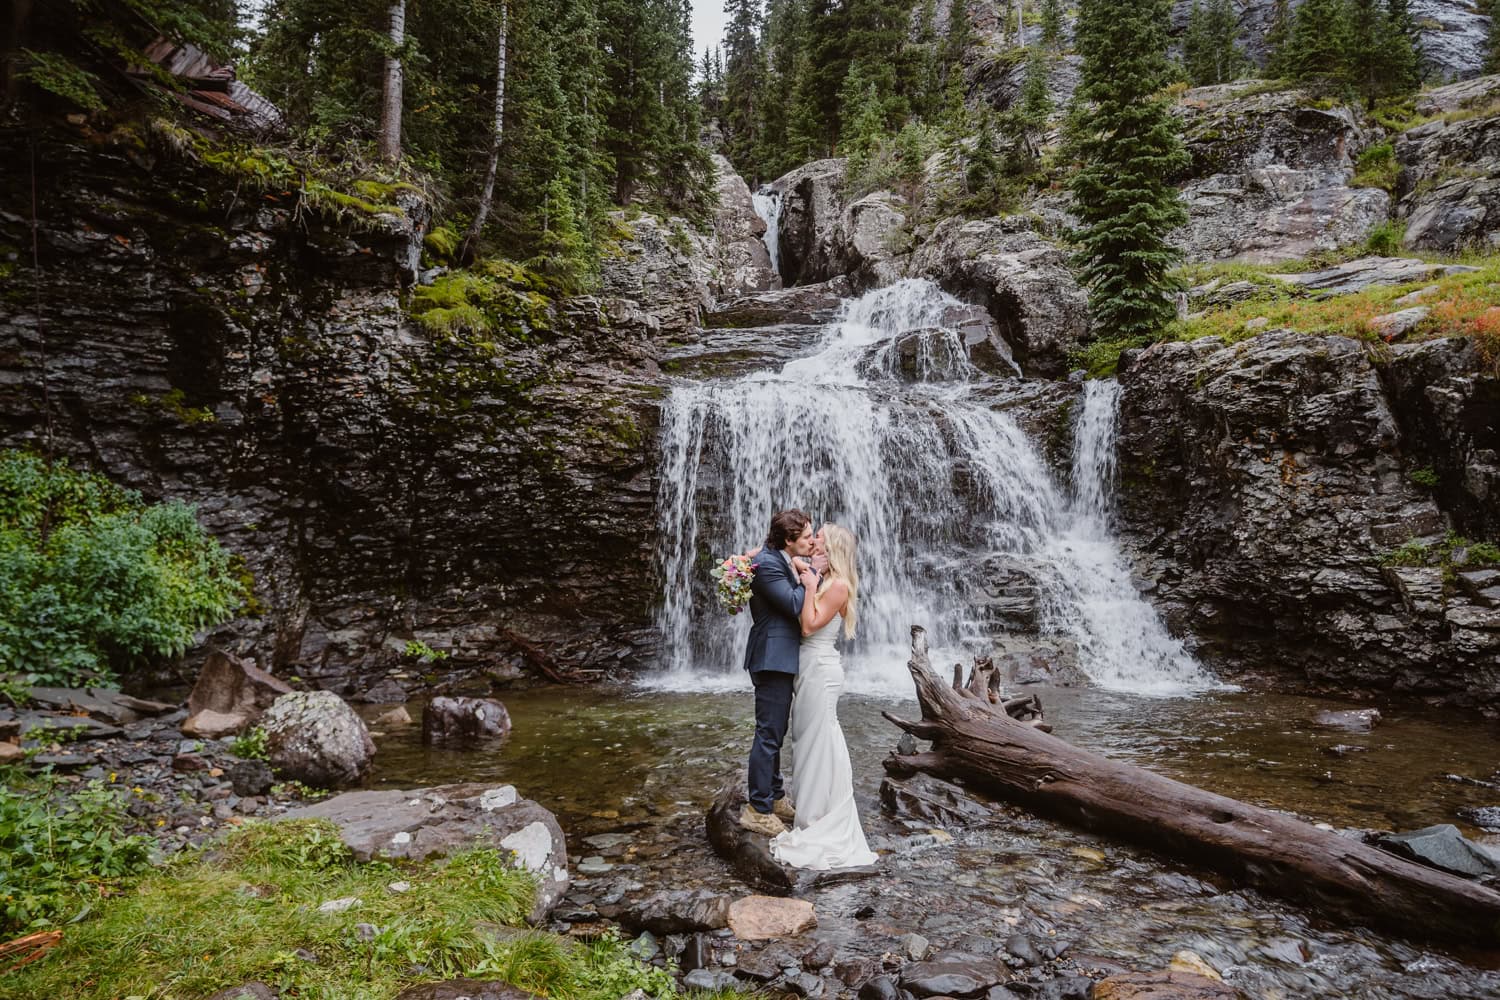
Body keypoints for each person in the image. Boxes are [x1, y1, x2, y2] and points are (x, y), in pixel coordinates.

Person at [770, 523, 878, 870]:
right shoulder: (822, 577)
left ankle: (819, 818)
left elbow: (807, 626)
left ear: (832, 551)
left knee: (818, 740)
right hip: (808, 669)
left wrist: (811, 582)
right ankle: (812, 809)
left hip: (821, 670)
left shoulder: (838, 586)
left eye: (818, 545)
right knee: (807, 740)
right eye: (811, 544)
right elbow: (781, 559)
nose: (812, 549)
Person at [740, 509, 817, 837]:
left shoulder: (775, 557)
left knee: (775, 732)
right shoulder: (770, 564)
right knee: (768, 734)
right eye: (806, 537)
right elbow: (792, 604)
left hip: (780, 656)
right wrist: (812, 575)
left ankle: (774, 796)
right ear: (789, 541)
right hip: (772, 656)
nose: (813, 542)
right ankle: (757, 809)